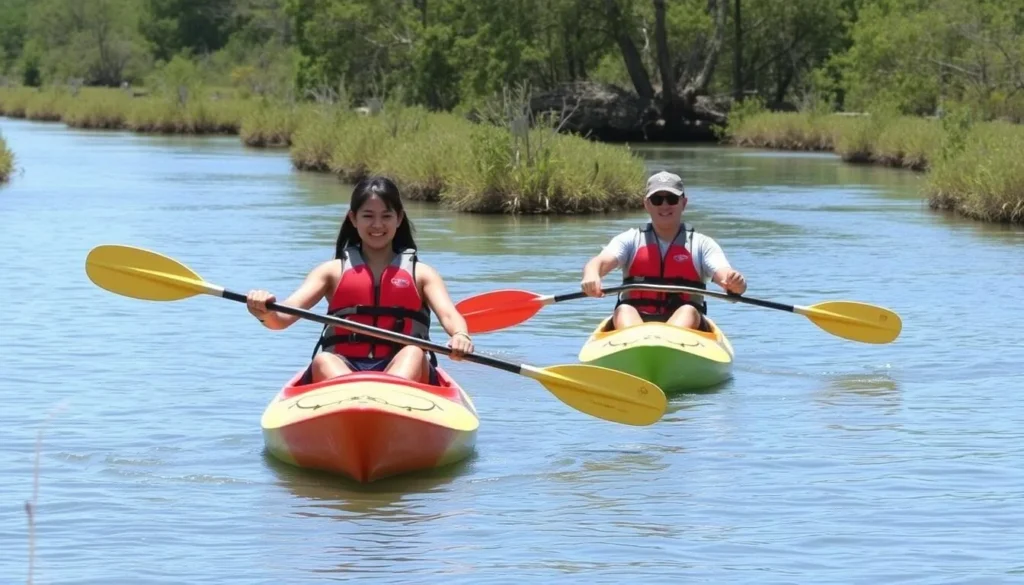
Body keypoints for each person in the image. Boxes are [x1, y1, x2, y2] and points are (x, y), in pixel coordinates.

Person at [245, 176, 474, 384]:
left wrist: (460, 335)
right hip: (344, 371)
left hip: (405, 374)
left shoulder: (422, 274)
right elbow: (281, 319)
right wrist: (264, 312)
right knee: (323, 360)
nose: (377, 225)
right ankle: (358, 400)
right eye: (368, 216)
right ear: (353, 219)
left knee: (414, 352)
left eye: (386, 216)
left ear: (399, 218)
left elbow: (449, 315)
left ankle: (385, 399)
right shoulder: (330, 272)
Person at [580, 170, 747, 332]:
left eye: (672, 199)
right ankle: (637, 347)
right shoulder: (630, 239)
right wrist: (591, 275)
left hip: (686, 329)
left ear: (683, 203)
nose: (665, 205)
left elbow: (725, 276)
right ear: (647, 204)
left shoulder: (702, 244)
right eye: (657, 199)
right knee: (624, 309)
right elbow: (599, 262)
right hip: (634, 324)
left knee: (688, 310)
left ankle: (665, 344)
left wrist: (735, 284)